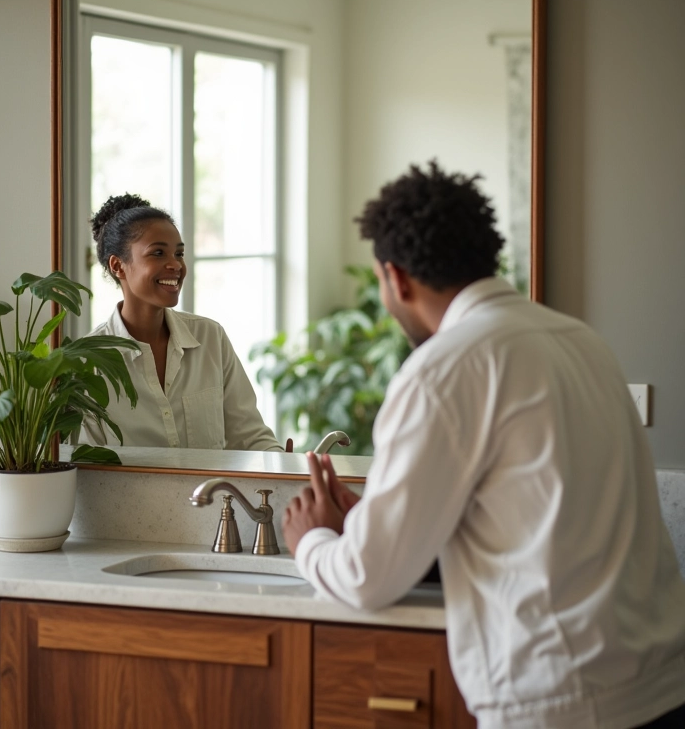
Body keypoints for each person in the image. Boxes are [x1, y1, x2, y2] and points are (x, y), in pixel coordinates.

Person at [282, 161, 685, 728]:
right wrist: (379, 525)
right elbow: (535, 520)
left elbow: (367, 581)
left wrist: (313, 540)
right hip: (660, 686)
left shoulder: (442, 371)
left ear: (396, 278)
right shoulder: (582, 342)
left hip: (561, 703)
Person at [80, 193, 286, 452]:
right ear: (118, 266)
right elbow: (87, 469)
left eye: (179, 253)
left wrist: (286, 473)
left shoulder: (210, 337)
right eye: (157, 253)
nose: (175, 265)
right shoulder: (88, 363)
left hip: (214, 494)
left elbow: (251, 438)